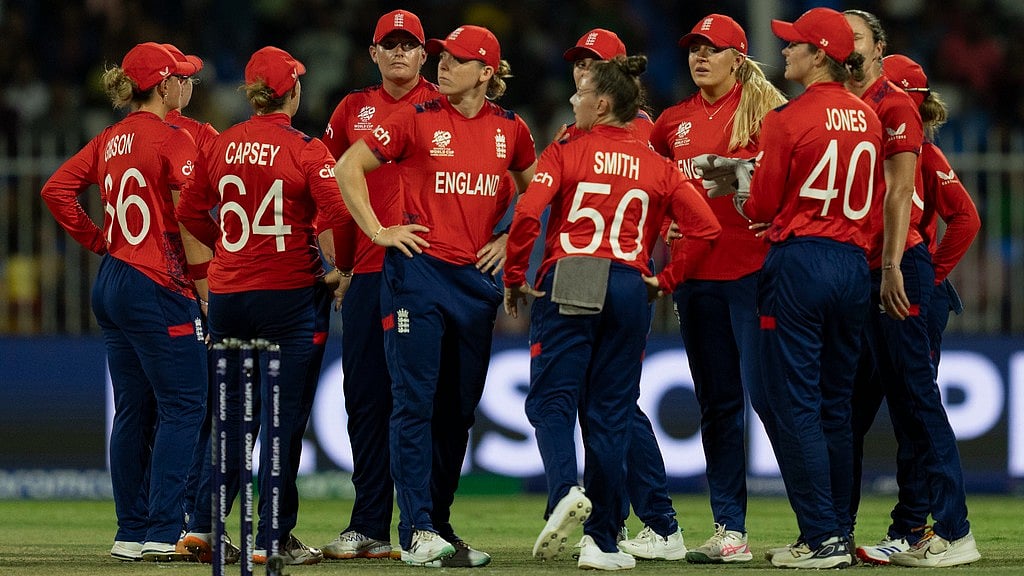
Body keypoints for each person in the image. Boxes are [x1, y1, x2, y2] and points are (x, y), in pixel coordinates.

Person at [504, 54, 720, 571]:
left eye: (580, 95)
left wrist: (515, 275)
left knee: (551, 402)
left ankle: (562, 491)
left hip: (576, 269)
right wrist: (664, 280)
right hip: (629, 279)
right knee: (611, 414)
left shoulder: (564, 150)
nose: (573, 102)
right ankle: (603, 542)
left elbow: (528, 214)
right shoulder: (658, 163)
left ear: (601, 104)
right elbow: (707, 229)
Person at [334, 24, 536, 567]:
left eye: (457, 59)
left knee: (458, 411)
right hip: (416, 277)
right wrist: (379, 232)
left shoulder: (511, 130)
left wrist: (506, 238)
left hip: (476, 285)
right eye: (442, 56)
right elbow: (347, 167)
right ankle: (417, 528)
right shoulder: (413, 118)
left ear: (486, 72)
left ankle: (438, 525)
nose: (443, 65)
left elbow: (538, 190)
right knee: (413, 401)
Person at [176, 45, 349, 567]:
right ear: (293, 91)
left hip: (229, 296)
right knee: (283, 418)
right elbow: (335, 214)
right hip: (288, 296)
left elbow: (188, 209)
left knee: (231, 418)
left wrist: (228, 245)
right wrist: (336, 272)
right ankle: (272, 536)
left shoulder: (221, 144)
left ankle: (205, 527)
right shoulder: (307, 149)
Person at [40, 42, 206, 562]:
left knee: (134, 410)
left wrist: (97, 240)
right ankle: (162, 530)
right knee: (185, 406)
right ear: (162, 86)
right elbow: (188, 221)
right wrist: (207, 291)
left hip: (113, 280)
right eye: (181, 76)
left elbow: (55, 189)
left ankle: (130, 532)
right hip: (157, 281)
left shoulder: (110, 138)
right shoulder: (173, 138)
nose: (187, 84)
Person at [741, 8, 880, 569]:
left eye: (796, 44)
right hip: (852, 265)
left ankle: (820, 537)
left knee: (791, 399)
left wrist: (743, 198)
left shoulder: (786, 119)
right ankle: (839, 531)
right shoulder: (866, 117)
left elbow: (764, 205)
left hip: (800, 262)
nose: (787, 52)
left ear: (820, 54)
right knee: (836, 406)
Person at [542, 27, 685, 564]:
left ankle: (645, 521)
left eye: (593, 63)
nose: (581, 70)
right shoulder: (579, 128)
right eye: (578, 61)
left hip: (606, 268)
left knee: (611, 407)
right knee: (606, 404)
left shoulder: (637, 130)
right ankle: (617, 524)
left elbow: (668, 189)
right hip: (608, 269)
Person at [648, 13, 786, 564]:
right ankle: (731, 529)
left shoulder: (767, 113)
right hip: (697, 279)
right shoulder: (672, 122)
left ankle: (823, 522)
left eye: (712, 48)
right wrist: (663, 227)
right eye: (694, 48)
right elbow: (647, 185)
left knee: (773, 400)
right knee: (718, 405)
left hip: (754, 272)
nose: (699, 56)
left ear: (738, 57)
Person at [845, 46, 982, 568]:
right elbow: (965, 219)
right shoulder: (916, 149)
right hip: (888, 281)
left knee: (907, 409)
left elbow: (964, 220)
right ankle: (895, 528)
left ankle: (920, 528)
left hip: (896, 280)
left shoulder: (907, 147)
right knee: (901, 410)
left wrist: (929, 279)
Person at [317, 9, 440, 563]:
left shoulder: (444, 106)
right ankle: (369, 525)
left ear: (423, 54)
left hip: (427, 271)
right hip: (367, 272)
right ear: (373, 54)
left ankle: (430, 524)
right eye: (388, 44)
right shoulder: (350, 110)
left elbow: (498, 175)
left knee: (425, 405)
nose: (398, 53)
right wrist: (339, 264)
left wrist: (505, 237)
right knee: (364, 401)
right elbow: (329, 191)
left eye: (407, 45)